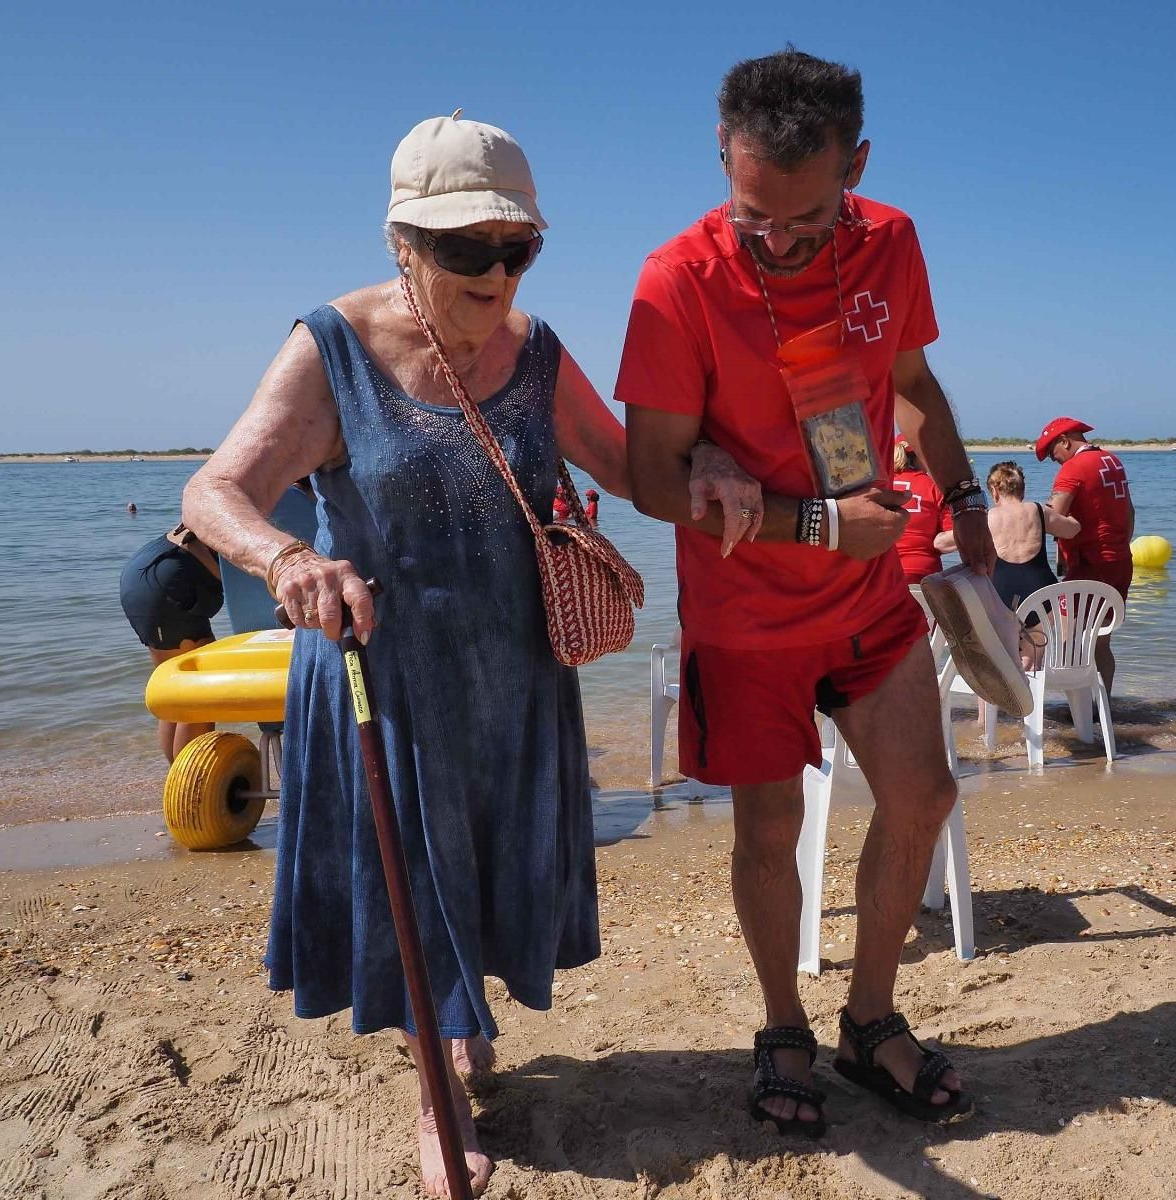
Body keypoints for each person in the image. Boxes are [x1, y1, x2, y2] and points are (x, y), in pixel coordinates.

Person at [181, 114, 759, 1197]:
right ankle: (435, 1096)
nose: (496, 273)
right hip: (384, 678)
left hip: (515, 676)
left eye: (517, 248)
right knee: (415, 878)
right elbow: (214, 492)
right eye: (466, 250)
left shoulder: (534, 352)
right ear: (404, 241)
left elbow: (632, 465)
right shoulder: (332, 350)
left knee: (484, 872)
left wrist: (715, 460)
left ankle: (463, 1021)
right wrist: (287, 559)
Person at [621, 48, 997, 1135]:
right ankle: (782, 1022)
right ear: (722, 159)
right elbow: (652, 476)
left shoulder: (892, 242)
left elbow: (913, 388)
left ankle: (869, 1020)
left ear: (856, 165)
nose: (777, 241)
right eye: (754, 217)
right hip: (745, 617)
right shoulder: (675, 280)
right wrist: (822, 522)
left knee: (923, 797)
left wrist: (964, 499)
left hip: (872, 596)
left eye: (805, 218)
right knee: (769, 829)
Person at [1036, 416, 1134, 693]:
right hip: (1119, 561)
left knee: (1069, 639)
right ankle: (1101, 705)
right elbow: (1129, 513)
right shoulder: (1113, 461)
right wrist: (1118, 545)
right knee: (1101, 640)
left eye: (1053, 453)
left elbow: (1054, 516)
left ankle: (1079, 712)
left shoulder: (1073, 468)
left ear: (1065, 441)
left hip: (1089, 565)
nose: (1055, 461)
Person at [118, 524, 223, 761]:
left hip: (144, 571)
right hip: (167, 578)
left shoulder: (245, 491)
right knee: (199, 695)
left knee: (177, 695)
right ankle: (192, 787)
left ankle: (180, 785)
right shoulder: (284, 502)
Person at [985, 460, 1080, 614]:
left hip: (1000, 595)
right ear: (1022, 490)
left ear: (994, 491)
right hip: (1042, 595)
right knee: (1039, 637)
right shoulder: (1038, 510)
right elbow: (1072, 530)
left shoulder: (987, 517)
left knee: (1004, 636)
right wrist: (1073, 514)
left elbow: (947, 543)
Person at [891, 435, 956, 583]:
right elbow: (951, 537)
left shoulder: (882, 485)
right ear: (920, 457)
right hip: (924, 572)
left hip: (885, 571)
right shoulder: (934, 487)